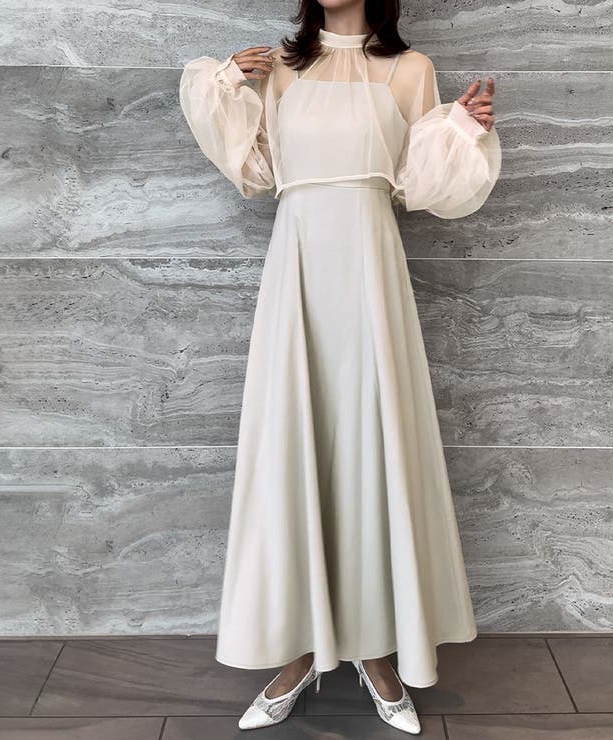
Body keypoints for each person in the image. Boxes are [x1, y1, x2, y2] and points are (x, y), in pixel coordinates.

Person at [179, 0, 500, 733]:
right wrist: (227, 86)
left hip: (369, 271)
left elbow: (419, 182)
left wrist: (461, 129)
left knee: (371, 450)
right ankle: (299, 651)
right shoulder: (280, 69)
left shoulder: (410, 70)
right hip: (296, 269)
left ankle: (375, 651)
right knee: (291, 448)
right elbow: (253, 170)